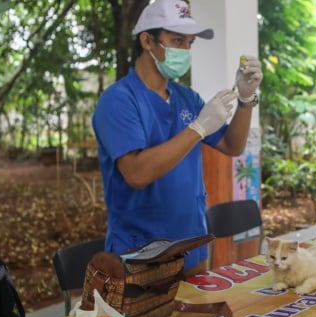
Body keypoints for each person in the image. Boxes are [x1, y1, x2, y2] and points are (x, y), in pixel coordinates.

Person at [92, 0, 262, 276]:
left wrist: (245, 99)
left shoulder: (186, 98)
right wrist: (197, 128)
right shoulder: (118, 100)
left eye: (189, 43)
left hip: (191, 245)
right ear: (148, 41)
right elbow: (136, 174)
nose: (185, 51)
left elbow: (232, 146)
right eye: (177, 41)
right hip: (140, 254)